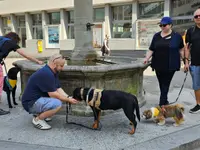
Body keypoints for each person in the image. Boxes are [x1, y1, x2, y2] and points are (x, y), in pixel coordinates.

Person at [22, 54, 78, 130]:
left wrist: (68, 97)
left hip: (35, 100)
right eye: (61, 65)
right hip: (30, 104)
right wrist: (68, 100)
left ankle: (42, 114)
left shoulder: (52, 71)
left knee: (58, 100)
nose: (63, 68)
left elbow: (58, 88)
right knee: (57, 103)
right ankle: (38, 119)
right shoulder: (47, 73)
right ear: (54, 64)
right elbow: (53, 94)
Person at [144, 17, 185, 106]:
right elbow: (151, 49)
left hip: (171, 65)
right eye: (161, 25)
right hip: (158, 64)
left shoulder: (177, 36)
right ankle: (165, 101)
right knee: (161, 84)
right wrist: (147, 58)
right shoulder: (156, 36)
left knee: (165, 83)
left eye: (164, 25)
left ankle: (161, 104)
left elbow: (181, 49)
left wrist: (186, 62)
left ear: (170, 25)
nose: (162, 27)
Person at [0, 32, 43, 115]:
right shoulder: (11, 43)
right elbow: (25, 55)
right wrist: (37, 61)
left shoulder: (1, 38)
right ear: (15, 40)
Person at [184, 8, 200, 113]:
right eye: (196, 16)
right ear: (194, 19)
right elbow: (187, 47)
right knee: (196, 85)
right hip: (195, 63)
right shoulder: (191, 31)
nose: (198, 18)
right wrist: (186, 62)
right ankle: (198, 104)